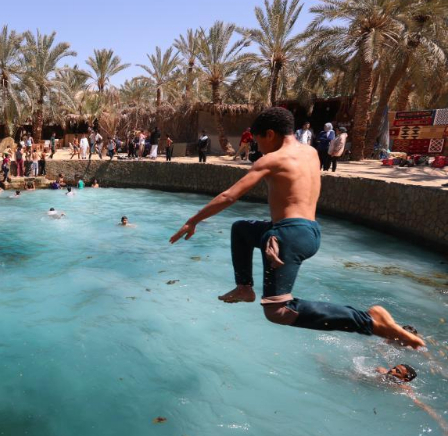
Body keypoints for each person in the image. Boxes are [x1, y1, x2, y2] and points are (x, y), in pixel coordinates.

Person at [169, 107, 424, 349]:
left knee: (279, 311)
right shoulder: (311, 152)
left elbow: (229, 197)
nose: (258, 147)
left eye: (258, 141)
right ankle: (244, 287)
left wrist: (193, 220)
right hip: (309, 231)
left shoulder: (270, 160)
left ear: (270, 134)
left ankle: (369, 321)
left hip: (287, 235)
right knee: (242, 229)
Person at [374, 363, 448, 436]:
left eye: (398, 371)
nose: (392, 370)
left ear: (405, 380)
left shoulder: (405, 389)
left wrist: (442, 424)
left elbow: (422, 405)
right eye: (394, 368)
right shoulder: (381, 371)